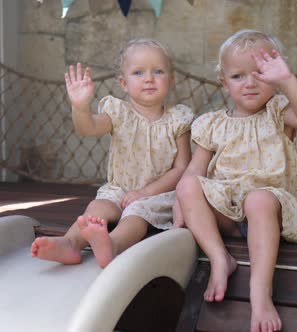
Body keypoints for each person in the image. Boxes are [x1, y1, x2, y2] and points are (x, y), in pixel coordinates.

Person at [174, 29, 297, 332]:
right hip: (227, 212)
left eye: (260, 74)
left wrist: (286, 80)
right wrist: (182, 202)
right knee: (187, 185)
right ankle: (219, 258)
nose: (250, 82)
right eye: (238, 76)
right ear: (223, 81)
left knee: (258, 199)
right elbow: (194, 173)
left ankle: (260, 293)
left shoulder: (278, 112)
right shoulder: (211, 123)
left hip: (272, 209)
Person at [31, 38, 193, 269]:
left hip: (158, 195)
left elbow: (182, 168)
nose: (149, 78)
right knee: (98, 207)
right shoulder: (119, 112)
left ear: (171, 80)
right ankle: (70, 243)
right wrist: (80, 107)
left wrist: (144, 192)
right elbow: (88, 128)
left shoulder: (177, 120)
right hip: (120, 188)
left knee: (136, 214)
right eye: (138, 72)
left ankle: (112, 245)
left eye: (158, 71)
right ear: (123, 83)